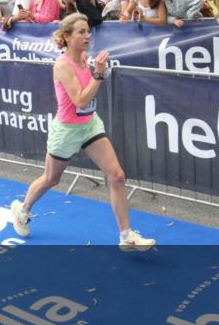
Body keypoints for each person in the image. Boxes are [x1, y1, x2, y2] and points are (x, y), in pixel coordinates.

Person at [10, 13, 156, 252]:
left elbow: (87, 99)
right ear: (67, 37)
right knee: (51, 179)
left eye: (88, 31)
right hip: (66, 130)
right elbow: (79, 99)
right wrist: (98, 74)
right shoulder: (61, 65)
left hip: (89, 125)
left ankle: (126, 235)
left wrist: (97, 73)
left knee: (117, 175)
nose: (87, 36)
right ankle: (22, 211)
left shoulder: (85, 57)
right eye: (81, 32)